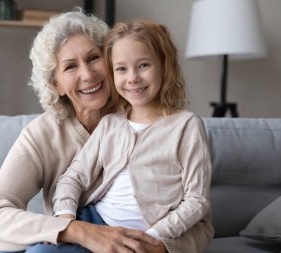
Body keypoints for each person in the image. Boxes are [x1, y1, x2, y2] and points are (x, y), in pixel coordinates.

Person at [0, 10, 164, 253]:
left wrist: (161, 248)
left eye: (93, 58)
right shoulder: (44, 134)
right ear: (56, 84)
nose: (87, 74)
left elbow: (200, 222)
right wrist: (78, 230)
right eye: (70, 66)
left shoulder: (148, 117)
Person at [52, 20, 215, 253]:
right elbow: (73, 177)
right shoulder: (110, 124)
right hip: (97, 223)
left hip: (149, 235)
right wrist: (66, 217)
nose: (132, 78)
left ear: (164, 67)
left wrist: (152, 238)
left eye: (144, 65)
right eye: (121, 69)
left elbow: (197, 200)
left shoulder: (186, 126)